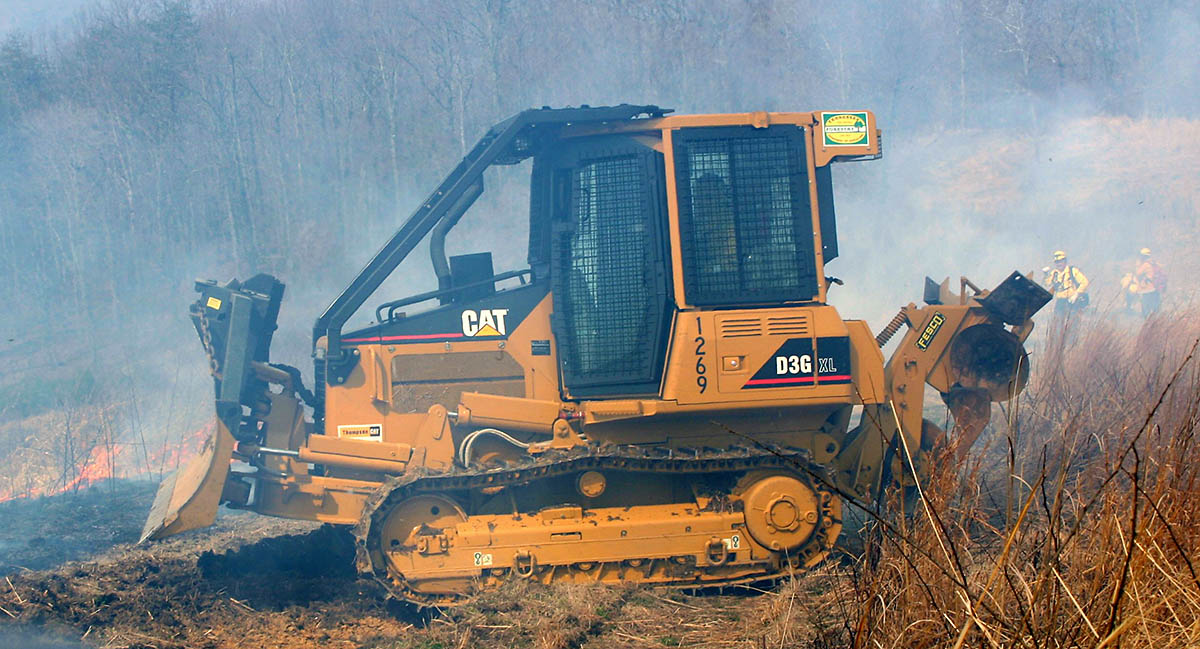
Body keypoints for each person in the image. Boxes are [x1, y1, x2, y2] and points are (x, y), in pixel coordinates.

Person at [1042, 250, 1089, 317]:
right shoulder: (1054, 273)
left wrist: (1076, 294)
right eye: (1057, 262)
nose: (1059, 264)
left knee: (1072, 323)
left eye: (1061, 261)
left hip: (1072, 301)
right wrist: (1046, 274)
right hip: (1060, 302)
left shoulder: (1072, 271)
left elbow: (1084, 282)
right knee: (1057, 322)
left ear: (1065, 261)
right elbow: (1047, 284)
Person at [1130, 247, 1165, 317]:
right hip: (1155, 289)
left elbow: (1137, 273)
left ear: (1142, 256)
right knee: (1155, 308)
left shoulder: (1145, 265)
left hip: (1147, 290)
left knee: (1146, 309)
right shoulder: (1154, 263)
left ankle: (1148, 323)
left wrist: (1138, 264)